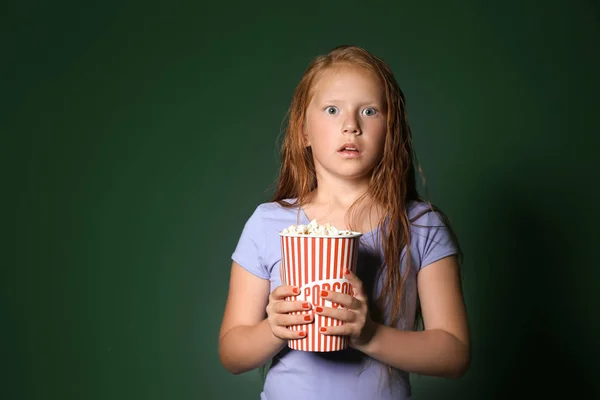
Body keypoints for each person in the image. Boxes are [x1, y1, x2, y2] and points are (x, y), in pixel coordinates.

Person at [218, 45, 470, 400]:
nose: (351, 125)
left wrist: (369, 336)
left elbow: (454, 353)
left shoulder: (421, 225)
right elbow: (232, 353)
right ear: (304, 131)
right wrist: (274, 329)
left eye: (369, 111)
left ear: (390, 131)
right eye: (332, 110)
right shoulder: (267, 222)